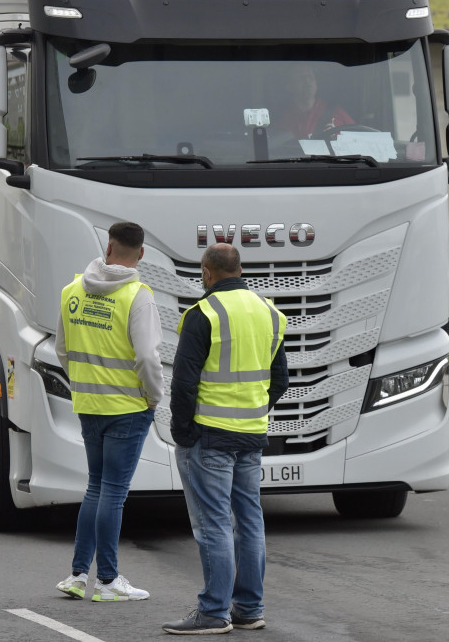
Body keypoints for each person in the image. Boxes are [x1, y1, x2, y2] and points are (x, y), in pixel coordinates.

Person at [163, 243, 288, 635]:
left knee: (213, 524)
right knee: (249, 522)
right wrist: (252, 411)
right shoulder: (270, 313)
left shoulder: (204, 315)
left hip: (209, 437)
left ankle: (214, 612)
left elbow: (184, 381)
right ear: (239, 269)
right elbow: (280, 380)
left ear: (207, 272)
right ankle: (249, 609)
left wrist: (183, 431)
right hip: (251, 435)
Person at [55, 221, 164, 602]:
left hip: (88, 404)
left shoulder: (72, 291)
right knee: (114, 493)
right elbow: (148, 356)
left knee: (95, 488)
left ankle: (77, 575)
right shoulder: (137, 296)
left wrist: (84, 385)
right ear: (142, 253)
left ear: (108, 247)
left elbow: (62, 351)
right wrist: (154, 396)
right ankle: (108, 581)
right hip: (127, 407)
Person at [276, 63, 354, 138]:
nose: (307, 80)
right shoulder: (285, 122)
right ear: (289, 87)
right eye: (301, 77)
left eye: (310, 76)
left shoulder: (336, 112)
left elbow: (359, 138)